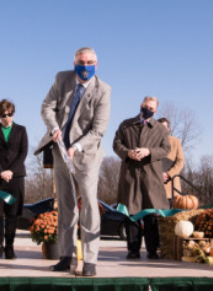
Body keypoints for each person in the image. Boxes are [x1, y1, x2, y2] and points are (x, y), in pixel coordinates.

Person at [39, 46, 111, 277]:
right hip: (60, 150)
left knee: (89, 204)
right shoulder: (62, 79)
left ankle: (90, 260)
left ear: (96, 65)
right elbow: (47, 107)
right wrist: (54, 127)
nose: (85, 66)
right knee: (65, 205)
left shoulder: (103, 91)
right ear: (74, 64)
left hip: (86, 155)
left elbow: (99, 131)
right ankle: (66, 256)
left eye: (90, 62)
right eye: (81, 62)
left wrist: (77, 146)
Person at [114, 97, 171, 259]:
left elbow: (166, 148)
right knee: (131, 214)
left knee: (151, 214)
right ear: (141, 105)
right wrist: (128, 153)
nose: (148, 109)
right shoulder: (126, 125)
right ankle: (133, 250)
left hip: (151, 176)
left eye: (151, 108)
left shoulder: (160, 128)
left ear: (155, 111)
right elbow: (116, 144)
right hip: (130, 176)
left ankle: (153, 250)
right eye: (146, 106)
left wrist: (149, 151)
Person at [0, 99, 29, 260]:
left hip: (15, 178)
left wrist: (11, 170)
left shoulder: (21, 130)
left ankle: (9, 248)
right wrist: (1, 171)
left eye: (9, 114)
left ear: (13, 113)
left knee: (12, 214)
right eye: (3, 115)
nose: (7, 118)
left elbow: (23, 153)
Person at [157, 117, 185, 199]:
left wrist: (169, 174)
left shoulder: (175, 142)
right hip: (155, 188)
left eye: (164, 127)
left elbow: (180, 161)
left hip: (172, 187)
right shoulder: (151, 143)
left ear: (168, 128)